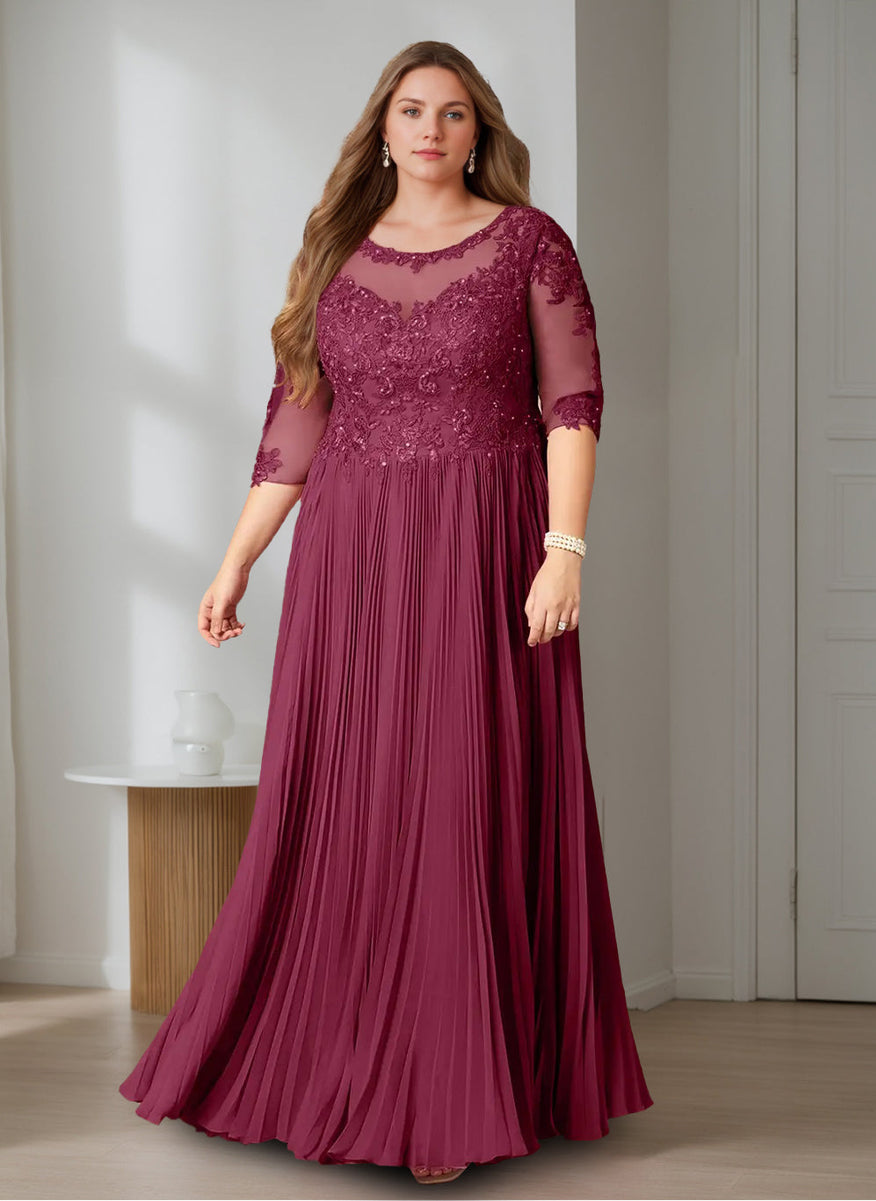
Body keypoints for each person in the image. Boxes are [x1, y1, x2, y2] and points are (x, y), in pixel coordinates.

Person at [118, 38, 653, 1186]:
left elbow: (571, 404)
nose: (431, 130)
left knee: (460, 797)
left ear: (479, 131)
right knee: (352, 796)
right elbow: (296, 424)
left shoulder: (529, 242)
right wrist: (235, 561)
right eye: (412, 110)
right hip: (350, 559)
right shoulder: (337, 254)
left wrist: (564, 551)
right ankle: (345, 1061)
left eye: (453, 113)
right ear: (382, 129)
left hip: (484, 549)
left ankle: (449, 1091)